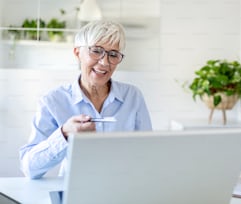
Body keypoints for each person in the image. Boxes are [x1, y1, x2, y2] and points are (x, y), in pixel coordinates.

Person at [19, 20, 152, 179]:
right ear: (77, 53)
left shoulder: (133, 96)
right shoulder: (53, 101)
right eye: (96, 51)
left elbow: (148, 154)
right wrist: (64, 134)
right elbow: (29, 168)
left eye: (113, 54)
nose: (104, 63)